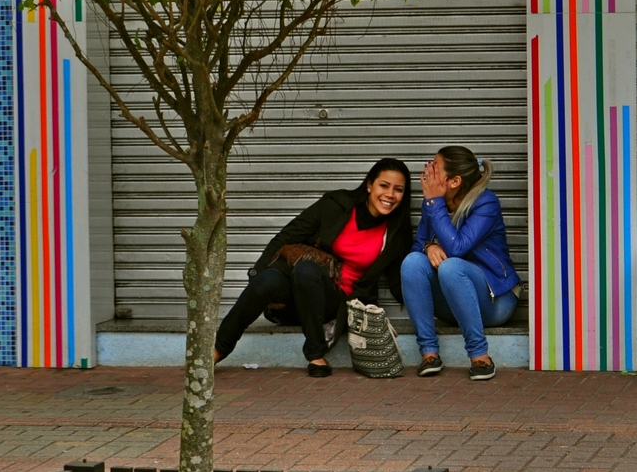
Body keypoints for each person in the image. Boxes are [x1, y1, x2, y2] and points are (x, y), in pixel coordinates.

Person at [215, 159, 413, 378]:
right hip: (299, 295)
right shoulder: (335, 205)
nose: (390, 194)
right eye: (384, 186)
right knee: (269, 279)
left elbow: (400, 281)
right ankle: (217, 350)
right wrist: (255, 277)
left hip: (337, 303)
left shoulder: (395, 232)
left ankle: (315, 354)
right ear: (369, 185)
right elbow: (287, 236)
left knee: (306, 271)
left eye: (398, 189)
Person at [402, 146, 521, 381]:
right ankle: (429, 353)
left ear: (455, 181)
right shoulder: (434, 204)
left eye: (435, 168)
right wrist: (428, 246)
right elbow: (418, 249)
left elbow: (458, 247)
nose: (428, 173)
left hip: (496, 303)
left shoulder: (486, 203)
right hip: (454, 304)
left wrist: (434, 205)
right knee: (412, 262)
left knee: (451, 266)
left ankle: (480, 356)